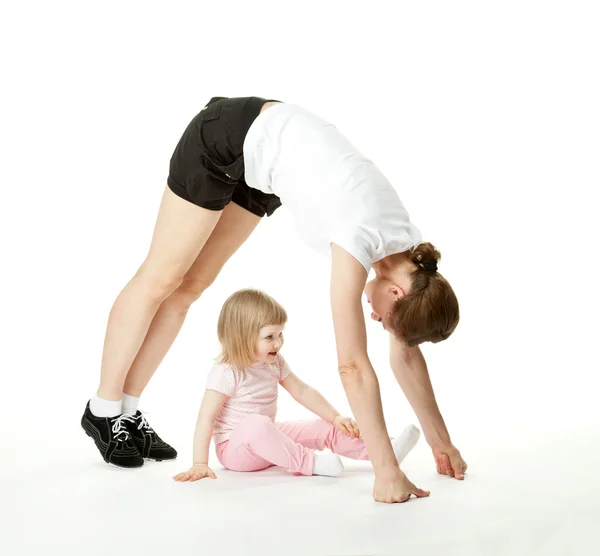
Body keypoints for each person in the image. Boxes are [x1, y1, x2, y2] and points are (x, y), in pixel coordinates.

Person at [81, 96, 466, 503]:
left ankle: (129, 409)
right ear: (396, 293)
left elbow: (404, 354)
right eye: (383, 317)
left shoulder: (409, 255)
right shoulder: (360, 237)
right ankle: (104, 410)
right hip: (227, 136)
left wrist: (442, 442)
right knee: (161, 277)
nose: (374, 317)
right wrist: (387, 473)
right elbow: (352, 366)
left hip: (260, 167)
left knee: (190, 286)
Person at [173, 289, 424, 487]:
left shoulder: (275, 363)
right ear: (241, 337)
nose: (278, 343)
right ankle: (311, 464)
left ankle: (384, 452)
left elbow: (302, 391)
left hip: (267, 439)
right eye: (269, 337)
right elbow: (206, 418)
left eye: (280, 334)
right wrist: (199, 462)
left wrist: (335, 417)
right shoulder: (227, 371)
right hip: (236, 452)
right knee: (256, 424)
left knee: (323, 426)